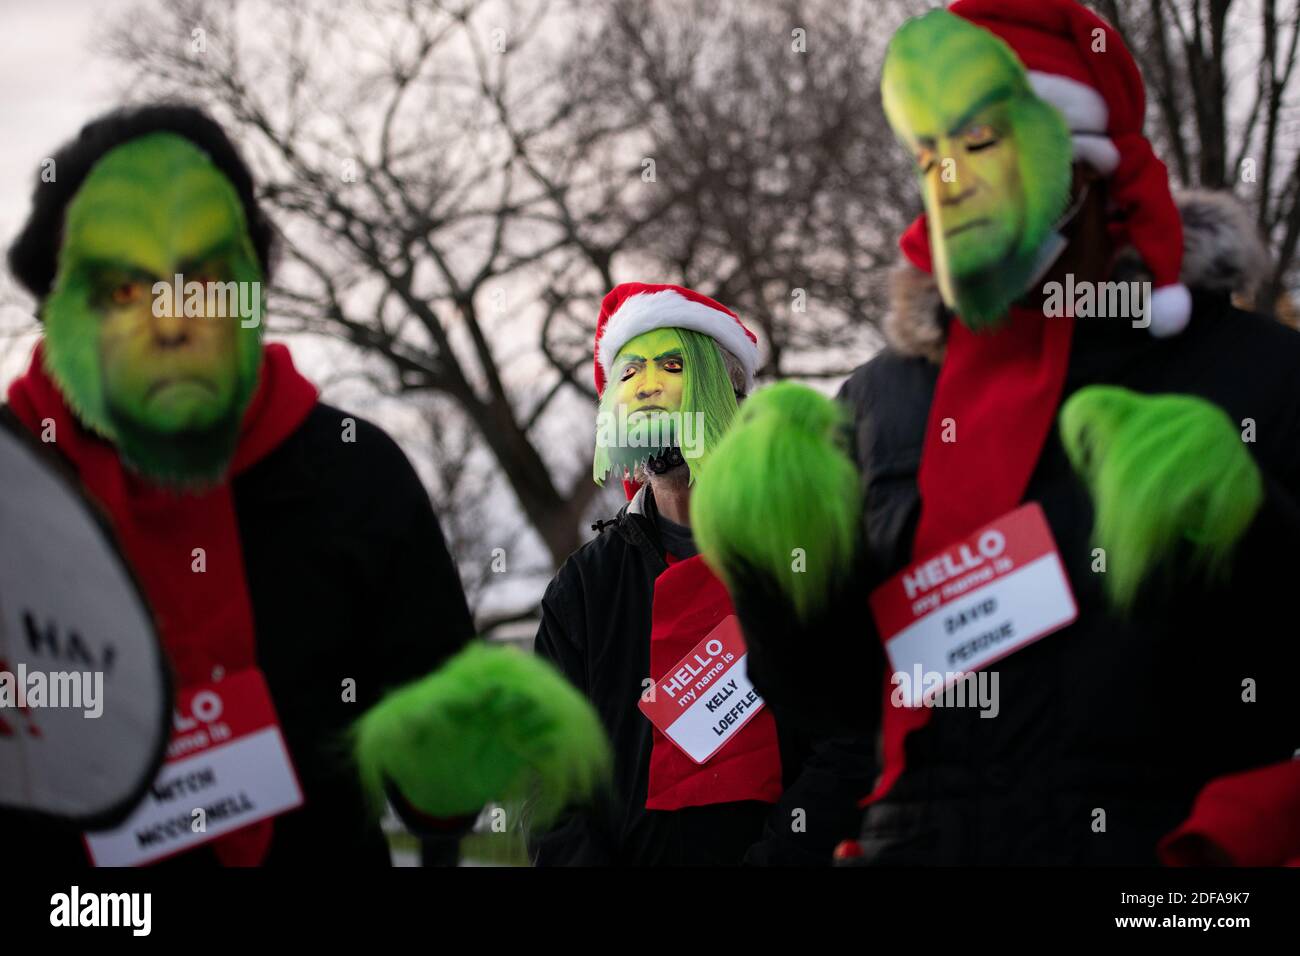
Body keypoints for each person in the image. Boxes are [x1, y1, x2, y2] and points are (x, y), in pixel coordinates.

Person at [691, 0, 1300, 865]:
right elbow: (843, 703)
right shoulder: (882, 400)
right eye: (928, 152)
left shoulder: (1256, 376)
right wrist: (775, 570)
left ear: (1083, 165)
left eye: (978, 144)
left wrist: (1250, 536)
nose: (948, 181)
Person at [2, 103, 471, 866]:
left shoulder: (354, 474)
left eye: (203, 278)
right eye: (124, 289)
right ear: (59, 304)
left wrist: (461, 759)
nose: (171, 318)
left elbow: (439, 791)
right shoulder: (12, 491)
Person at [529, 282, 875, 866]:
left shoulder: (806, 549)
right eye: (630, 372)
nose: (647, 388)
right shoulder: (585, 587)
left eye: (671, 365)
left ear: (732, 393)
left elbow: (852, 740)